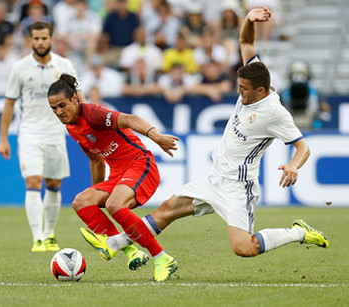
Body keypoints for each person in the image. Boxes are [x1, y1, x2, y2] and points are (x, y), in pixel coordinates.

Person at [97, 7, 329, 278]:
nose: (239, 93)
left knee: (244, 248)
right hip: (215, 178)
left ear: (261, 91)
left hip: (238, 188)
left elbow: (303, 146)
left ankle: (298, 232)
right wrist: (248, 19)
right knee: (168, 209)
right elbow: (246, 42)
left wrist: (293, 165)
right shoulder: (253, 77)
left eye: (244, 89)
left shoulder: (274, 112)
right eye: (238, 86)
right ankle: (115, 243)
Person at [47, 73, 179, 282]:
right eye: (53, 108)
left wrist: (156, 136)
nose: (58, 112)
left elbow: (130, 119)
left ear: (74, 99)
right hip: (118, 174)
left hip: (139, 164)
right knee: (81, 201)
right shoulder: (72, 127)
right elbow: (96, 160)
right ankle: (129, 251)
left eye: (62, 105)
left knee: (114, 204)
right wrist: (95, 196)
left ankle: (163, 258)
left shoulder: (92, 114)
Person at [0, 21, 84, 253]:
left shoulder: (64, 65)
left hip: (56, 133)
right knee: (33, 181)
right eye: (36, 38)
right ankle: (37, 237)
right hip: (29, 133)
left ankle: (49, 235)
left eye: (44, 38)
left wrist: (86, 128)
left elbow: (79, 99)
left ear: (51, 39)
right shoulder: (20, 68)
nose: (40, 42)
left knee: (54, 184)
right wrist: (3, 138)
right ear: (30, 40)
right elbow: (9, 103)